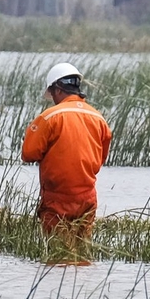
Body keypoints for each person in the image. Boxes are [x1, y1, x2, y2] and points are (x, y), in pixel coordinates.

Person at [20, 62, 113, 253]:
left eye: (52, 93)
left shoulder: (49, 117)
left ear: (58, 88)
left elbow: (28, 154)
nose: (52, 98)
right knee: (82, 253)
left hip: (57, 199)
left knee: (58, 254)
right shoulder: (99, 118)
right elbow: (101, 158)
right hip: (87, 198)